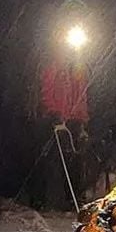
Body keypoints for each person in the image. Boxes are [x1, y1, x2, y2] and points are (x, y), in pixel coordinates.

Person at [30, 55, 89, 210]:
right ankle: (38, 199)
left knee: (74, 158)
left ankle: (73, 198)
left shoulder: (78, 66)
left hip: (73, 118)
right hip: (53, 117)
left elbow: (81, 93)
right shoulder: (53, 64)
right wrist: (51, 111)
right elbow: (46, 88)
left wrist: (81, 119)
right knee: (46, 157)